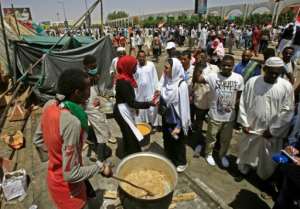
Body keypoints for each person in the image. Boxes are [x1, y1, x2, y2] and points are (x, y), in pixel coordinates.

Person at [33, 69, 112, 209]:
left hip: (54, 181)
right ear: (77, 92)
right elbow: (71, 174)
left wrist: (56, 155)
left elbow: (38, 139)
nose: (90, 91)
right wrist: (99, 167)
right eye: (88, 87)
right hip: (70, 192)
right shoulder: (72, 122)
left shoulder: (50, 105)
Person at [237, 57, 294, 181]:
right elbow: (243, 103)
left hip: (270, 132)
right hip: (252, 127)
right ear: (265, 69)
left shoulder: (286, 86)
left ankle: (264, 176)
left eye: (277, 72)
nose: (274, 75)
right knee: (247, 151)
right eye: (271, 71)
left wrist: (273, 130)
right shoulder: (252, 82)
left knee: (268, 157)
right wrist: (244, 123)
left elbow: (288, 111)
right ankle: (243, 170)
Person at [196, 55, 244, 167]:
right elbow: (198, 79)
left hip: (230, 116)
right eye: (224, 65)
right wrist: (199, 65)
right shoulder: (213, 76)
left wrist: (233, 105)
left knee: (226, 139)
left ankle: (222, 156)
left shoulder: (238, 78)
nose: (226, 67)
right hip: (214, 115)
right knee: (211, 137)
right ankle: (208, 154)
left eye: (229, 65)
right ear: (220, 65)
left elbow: (239, 94)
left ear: (233, 66)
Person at [114, 55, 156, 157]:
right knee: (130, 135)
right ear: (127, 66)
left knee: (129, 135)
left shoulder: (127, 78)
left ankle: (130, 152)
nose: (136, 68)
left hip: (125, 109)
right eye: (134, 66)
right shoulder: (123, 82)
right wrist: (149, 104)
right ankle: (130, 156)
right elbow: (131, 102)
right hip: (122, 112)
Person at [160, 58, 191, 172]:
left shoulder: (181, 85)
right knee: (168, 140)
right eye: (164, 67)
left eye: (167, 68)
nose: (164, 70)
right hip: (166, 118)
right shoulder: (167, 81)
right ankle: (170, 158)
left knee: (178, 142)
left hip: (177, 122)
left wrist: (179, 126)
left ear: (175, 69)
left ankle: (181, 162)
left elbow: (184, 108)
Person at [83, 55, 114, 160]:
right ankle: (100, 159)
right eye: (92, 67)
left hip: (96, 106)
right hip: (91, 108)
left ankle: (97, 148)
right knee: (102, 132)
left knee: (100, 128)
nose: (94, 69)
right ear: (86, 67)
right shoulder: (83, 79)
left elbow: (98, 92)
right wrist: (91, 79)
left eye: (95, 66)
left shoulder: (94, 77)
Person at [134, 50, 161, 128]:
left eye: (143, 57)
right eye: (140, 57)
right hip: (139, 92)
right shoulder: (135, 66)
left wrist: (157, 89)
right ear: (137, 57)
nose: (142, 58)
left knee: (151, 108)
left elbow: (155, 77)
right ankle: (143, 123)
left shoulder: (151, 65)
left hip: (150, 91)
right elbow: (134, 79)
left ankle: (152, 123)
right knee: (141, 108)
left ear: (145, 57)